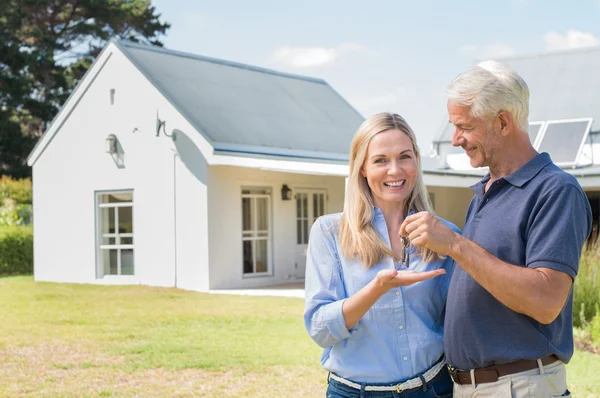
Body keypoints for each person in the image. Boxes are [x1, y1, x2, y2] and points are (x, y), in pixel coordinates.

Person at [400, 61, 592, 397]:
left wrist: (456, 245)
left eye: (464, 127)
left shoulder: (556, 190)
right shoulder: (484, 193)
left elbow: (546, 301)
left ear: (503, 122)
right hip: (475, 387)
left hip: (519, 387)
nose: (456, 139)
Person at [304, 112, 459, 398]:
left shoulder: (445, 235)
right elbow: (320, 329)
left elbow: (459, 321)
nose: (395, 170)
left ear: (416, 161)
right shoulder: (329, 233)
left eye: (404, 156)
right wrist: (377, 289)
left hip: (433, 389)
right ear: (362, 167)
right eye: (380, 160)